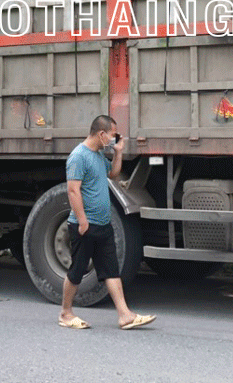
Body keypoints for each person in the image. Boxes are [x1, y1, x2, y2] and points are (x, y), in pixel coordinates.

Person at [58, 115, 155, 330]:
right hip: (85, 226)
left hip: (103, 225)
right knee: (77, 271)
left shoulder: (98, 155)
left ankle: (125, 315)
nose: (113, 139)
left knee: (111, 271)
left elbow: (113, 173)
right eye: (112, 135)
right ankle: (65, 313)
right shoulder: (78, 157)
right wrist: (82, 222)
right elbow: (73, 190)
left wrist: (118, 152)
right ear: (101, 134)